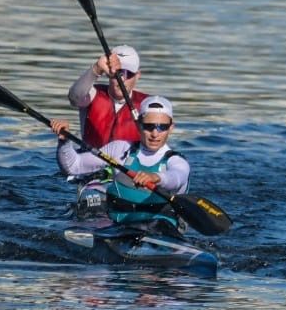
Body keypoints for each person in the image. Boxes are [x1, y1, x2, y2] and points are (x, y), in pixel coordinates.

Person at [50, 95, 190, 227]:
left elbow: (176, 178)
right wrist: (64, 142)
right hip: (120, 227)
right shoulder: (120, 150)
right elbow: (73, 167)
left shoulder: (176, 161)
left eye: (162, 127)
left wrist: (155, 177)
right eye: (148, 126)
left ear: (171, 128)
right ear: (138, 124)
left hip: (162, 230)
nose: (155, 133)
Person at [67, 45, 148, 148]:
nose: (121, 79)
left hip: (127, 163)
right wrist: (96, 69)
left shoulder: (148, 104)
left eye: (128, 74)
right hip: (90, 161)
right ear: (108, 73)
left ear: (137, 76)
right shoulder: (92, 94)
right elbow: (75, 98)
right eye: (117, 73)